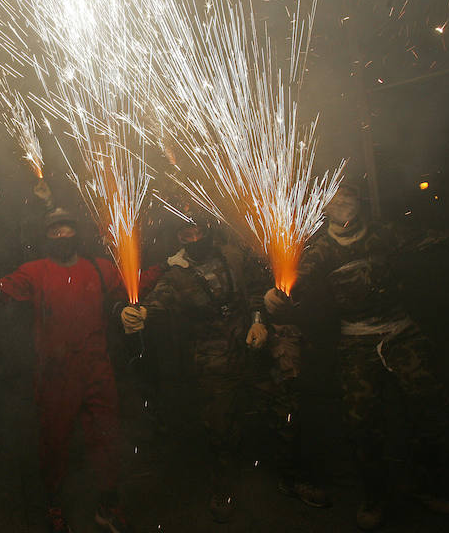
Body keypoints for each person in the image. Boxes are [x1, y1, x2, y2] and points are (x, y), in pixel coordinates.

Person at [264, 179, 449, 530]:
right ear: (322, 207)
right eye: (334, 199)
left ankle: (427, 488)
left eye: (348, 196)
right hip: (355, 342)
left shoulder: (385, 235)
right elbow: (293, 289)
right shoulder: (320, 251)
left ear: (360, 201)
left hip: (402, 333)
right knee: (361, 424)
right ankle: (373, 497)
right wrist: (274, 299)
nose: (342, 204)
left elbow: (443, 240)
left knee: (431, 411)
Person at [0, 205, 161, 533]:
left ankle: (107, 503)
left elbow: (135, 283)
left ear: (76, 232)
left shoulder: (98, 269)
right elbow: (5, 287)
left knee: (106, 437)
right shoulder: (36, 271)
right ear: (46, 236)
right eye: (54, 231)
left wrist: (167, 267)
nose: (60, 235)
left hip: (97, 370)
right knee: (54, 444)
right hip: (56, 375)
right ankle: (55, 505)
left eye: (66, 229)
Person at [120, 212, 328, 523]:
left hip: (254, 349)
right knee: (220, 429)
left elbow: (258, 289)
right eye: (184, 235)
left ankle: (292, 476)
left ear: (207, 230)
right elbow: (158, 301)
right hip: (213, 362)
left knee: (287, 412)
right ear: (178, 238)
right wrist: (137, 314)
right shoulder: (177, 274)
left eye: (196, 232)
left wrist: (259, 323)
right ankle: (223, 489)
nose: (192, 239)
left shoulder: (233, 255)